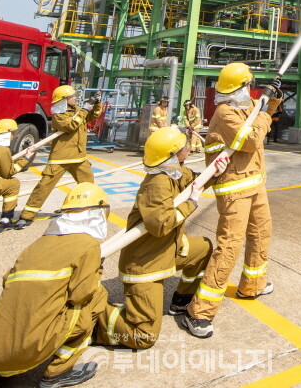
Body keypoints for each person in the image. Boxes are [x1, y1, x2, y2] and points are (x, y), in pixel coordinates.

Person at [0, 183, 110, 388]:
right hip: (26, 352)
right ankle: (57, 373)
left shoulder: (36, 245)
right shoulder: (88, 245)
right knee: (96, 297)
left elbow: (6, 281)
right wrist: (96, 270)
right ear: (98, 213)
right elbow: (81, 295)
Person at [96, 127, 224, 349]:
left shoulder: (174, 171)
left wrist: (215, 173)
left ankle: (181, 300)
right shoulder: (157, 183)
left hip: (168, 250)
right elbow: (160, 225)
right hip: (145, 264)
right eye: (184, 146)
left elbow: (194, 181)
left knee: (203, 248)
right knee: (144, 336)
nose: (187, 147)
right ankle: (93, 320)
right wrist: (191, 203)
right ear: (173, 154)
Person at [182, 63, 282, 339]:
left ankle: (252, 285)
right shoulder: (225, 113)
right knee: (230, 247)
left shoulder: (243, 107)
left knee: (261, 234)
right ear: (238, 88)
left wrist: (273, 97)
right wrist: (264, 113)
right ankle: (199, 312)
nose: (250, 90)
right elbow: (251, 140)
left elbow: (260, 113)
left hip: (255, 183)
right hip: (234, 188)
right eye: (248, 85)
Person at [15, 86, 102, 230]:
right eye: (72, 96)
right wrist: (85, 109)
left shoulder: (77, 110)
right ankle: (26, 216)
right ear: (64, 100)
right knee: (44, 186)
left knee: (88, 185)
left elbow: (92, 116)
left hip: (79, 157)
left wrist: (97, 104)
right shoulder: (59, 115)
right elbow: (71, 125)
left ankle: (89, 211)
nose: (75, 98)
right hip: (61, 158)